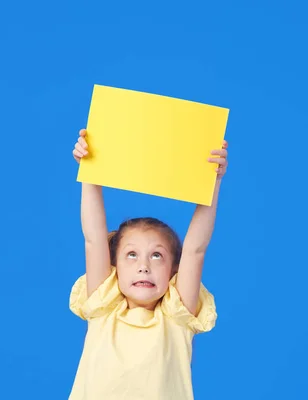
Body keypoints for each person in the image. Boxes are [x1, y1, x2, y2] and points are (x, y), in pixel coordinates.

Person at [68, 128, 228, 399]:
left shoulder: (177, 317)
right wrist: (89, 172)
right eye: (132, 255)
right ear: (113, 266)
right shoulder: (103, 306)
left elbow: (195, 249)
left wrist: (213, 182)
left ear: (174, 270)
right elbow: (94, 239)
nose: (144, 266)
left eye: (157, 256)